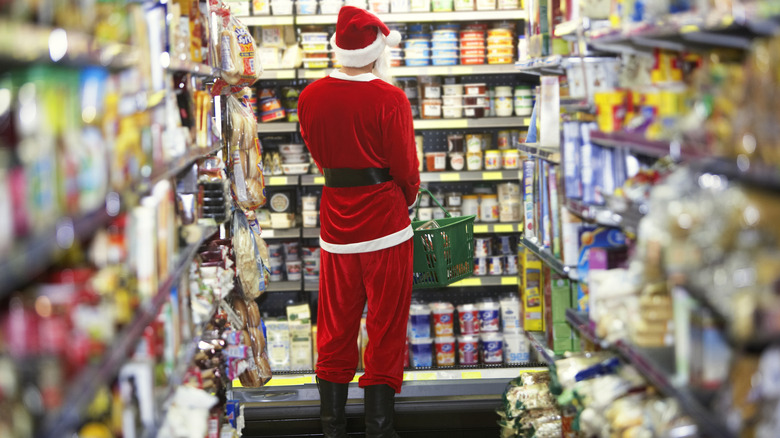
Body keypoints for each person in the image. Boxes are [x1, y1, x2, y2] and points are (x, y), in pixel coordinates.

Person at [297, 6, 420, 438]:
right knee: (386, 326)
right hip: (385, 224)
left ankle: (332, 426)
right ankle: (379, 428)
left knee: (335, 326)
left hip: (336, 223)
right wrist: (404, 199)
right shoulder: (390, 99)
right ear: (377, 51)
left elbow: (319, 154)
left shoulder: (310, 97)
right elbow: (406, 169)